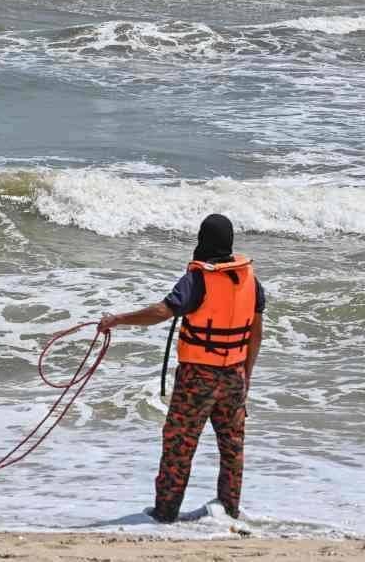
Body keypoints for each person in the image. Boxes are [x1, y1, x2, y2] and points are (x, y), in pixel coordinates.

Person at [97, 214, 264, 523]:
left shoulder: (198, 279)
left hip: (197, 378)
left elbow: (163, 311)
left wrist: (118, 319)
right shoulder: (250, 280)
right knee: (232, 449)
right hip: (234, 378)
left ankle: (165, 514)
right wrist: (246, 377)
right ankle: (229, 510)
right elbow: (256, 332)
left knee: (179, 446)